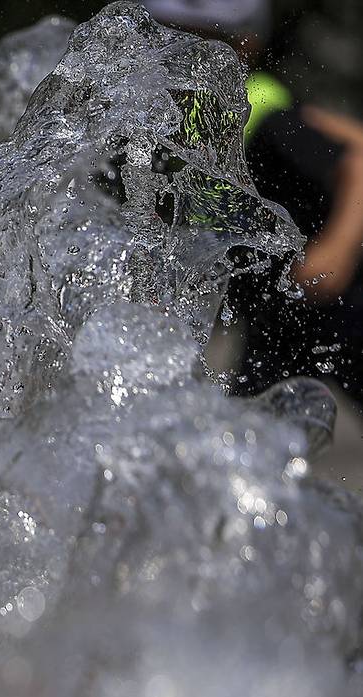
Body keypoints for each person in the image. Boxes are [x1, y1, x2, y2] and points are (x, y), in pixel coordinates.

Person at [145, 0, 363, 409]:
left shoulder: (260, 118)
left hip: (335, 299)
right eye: (160, 33)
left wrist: (335, 248)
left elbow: (358, 165)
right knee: (254, 432)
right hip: (277, 312)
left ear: (241, 46)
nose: (168, 48)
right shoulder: (172, 119)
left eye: (189, 38)